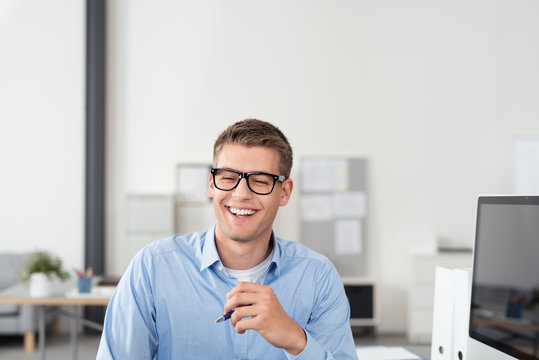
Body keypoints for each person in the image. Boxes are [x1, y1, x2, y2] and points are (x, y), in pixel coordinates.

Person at [97, 119, 358, 359]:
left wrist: (294, 339)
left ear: (284, 192)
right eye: (229, 178)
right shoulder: (152, 267)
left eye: (260, 180)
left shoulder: (318, 276)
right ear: (211, 184)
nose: (241, 193)